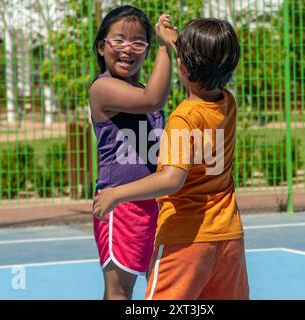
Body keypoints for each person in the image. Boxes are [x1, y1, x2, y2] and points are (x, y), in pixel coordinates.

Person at [92, 18, 249, 300]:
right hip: (228, 234)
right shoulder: (227, 103)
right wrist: (174, 43)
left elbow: (172, 179)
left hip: (186, 237)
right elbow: (204, 64)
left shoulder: (183, 119)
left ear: (183, 66)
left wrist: (116, 194)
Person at [88, 5, 177, 300]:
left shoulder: (140, 91)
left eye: (138, 42)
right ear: (102, 47)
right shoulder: (102, 89)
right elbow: (153, 99)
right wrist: (166, 48)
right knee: (119, 292)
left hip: (153, 203)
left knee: (156, 287)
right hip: (120, 205)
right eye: (118, 40)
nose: (128, 48)